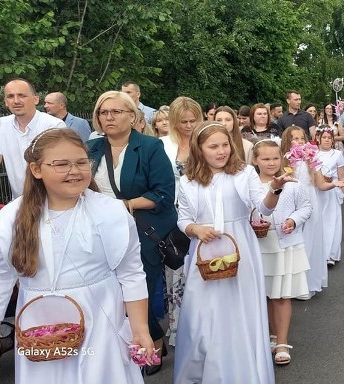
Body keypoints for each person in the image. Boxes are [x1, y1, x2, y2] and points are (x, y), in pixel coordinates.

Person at [0, 128, 152, 382]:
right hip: (40, 323)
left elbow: (131, 272)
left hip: (99, 317)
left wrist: (140, 327)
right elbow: (0, 276)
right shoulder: (11, 217)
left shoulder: (110, 212)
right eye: (61, 164)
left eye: (81, 162)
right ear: (36, 170)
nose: (75, 171)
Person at [174, 122, 285, 383]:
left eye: (225, 145)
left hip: (240, 247)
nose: (221, 151)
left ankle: (242, 372)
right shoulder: (188, 180)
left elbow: (263, 208)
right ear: (199, 149)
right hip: (205, 250)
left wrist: (275, 190)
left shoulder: (244, 173)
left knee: (239, 312)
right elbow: (183, 218)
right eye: (213, 146)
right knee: (203, 314)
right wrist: (196, 229)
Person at [85, 91, 176, 375]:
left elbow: (163, 193)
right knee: (105, 290)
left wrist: (121, 206)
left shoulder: (150, 147)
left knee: (140, 289)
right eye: (103, 112)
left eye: (116, 112)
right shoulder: (91, 148)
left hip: (141, 228)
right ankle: (113, 347)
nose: (108, 117)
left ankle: (153, 338)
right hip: (98, 230)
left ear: (133, 116)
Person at [250, 139, 311, 366]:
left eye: (275, 158)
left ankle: (283, 342)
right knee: (264, 294)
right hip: (258, 245)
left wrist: (293, 220)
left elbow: (306, 207)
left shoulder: (292, 184)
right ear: (255, 160)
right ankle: (269, 335)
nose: (271, 162)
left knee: (282, 295)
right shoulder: (251, 184)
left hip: (284, 244)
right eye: (265, 159)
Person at [158, 96, 202, 348]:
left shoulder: (205, 140)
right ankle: (178, 327)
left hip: (201, 214)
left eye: (192, 120)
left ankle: (201, 325)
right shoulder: (162, 145)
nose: (187, 125)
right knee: (175, 270)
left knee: (201, 270)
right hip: (172, 215)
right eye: (182, 121)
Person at [0, 78, 66, 198]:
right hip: (20, 202)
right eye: (10, 96)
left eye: (22, 95)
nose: (16, 101)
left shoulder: (54, 125)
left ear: (35, 99)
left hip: (53, 199)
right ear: (5, 101)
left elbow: (61, 165)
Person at [281, 126, 326, 297]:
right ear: (287, 141)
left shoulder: (311, 159)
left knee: (310, 240)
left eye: (302, 138)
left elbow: (320, 183)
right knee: (292, 241)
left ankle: (307, 283)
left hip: (311, 201)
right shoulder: (285, 159)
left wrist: (335, 185)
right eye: (295, 139)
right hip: (291, 203)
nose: (299, 142)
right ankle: (291, 285)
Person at [313, 128, 344, 266]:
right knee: (319, 223)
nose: (327, 140)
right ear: (318, 138)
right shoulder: (313, 154)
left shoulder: (338, 154)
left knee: (332, 223)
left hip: (332, 192)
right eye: (324, 137)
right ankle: (319, 253)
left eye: (329, 137)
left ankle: (331, 254)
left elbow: (342, 175)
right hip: (318, 192)